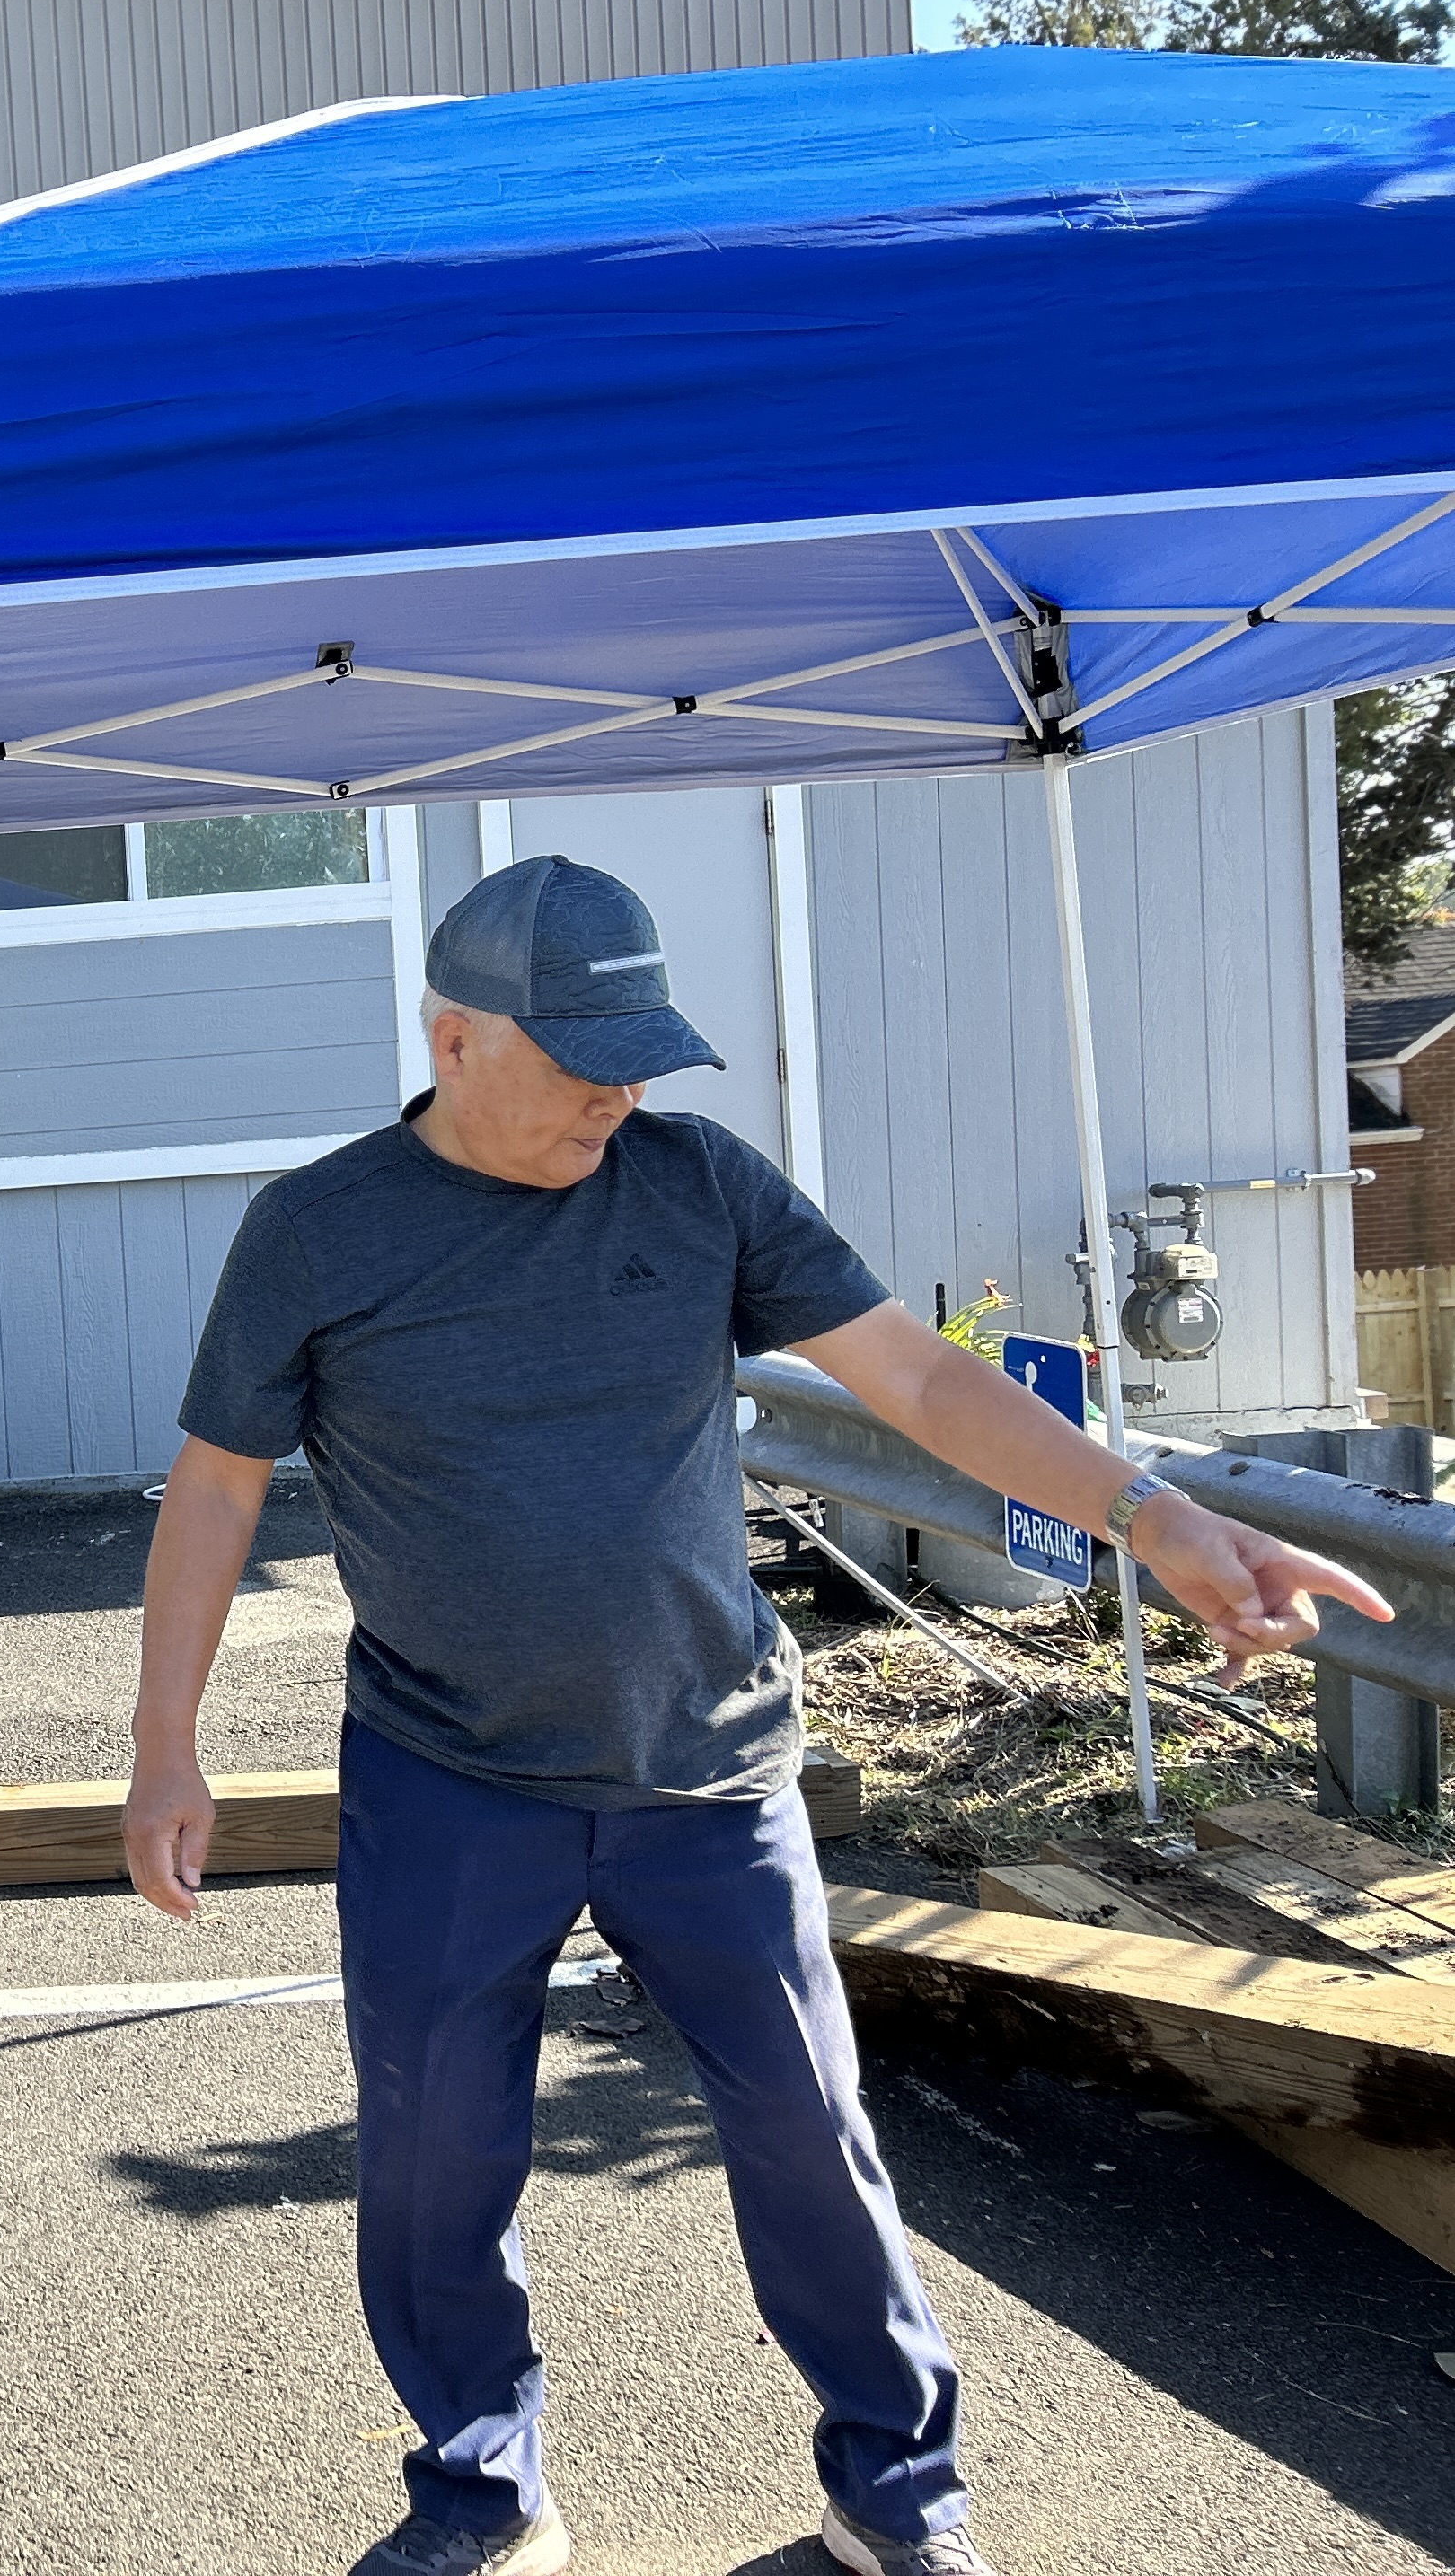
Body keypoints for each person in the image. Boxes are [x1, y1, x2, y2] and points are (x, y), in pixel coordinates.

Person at [121, 857, 1386, 2576]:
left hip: (708, 1771)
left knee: (808, 2136)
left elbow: (920, 1376)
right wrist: (166, 1742)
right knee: (431, 2157)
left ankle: (895, 2494)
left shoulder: (698, 1181)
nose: (614, 1097)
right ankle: (482, 2493)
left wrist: (1155, 1516)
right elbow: (214, 1485)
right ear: (452, 1038)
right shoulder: (317, 1228)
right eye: (581, 1064)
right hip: (445, 1771)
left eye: (636, 1060)